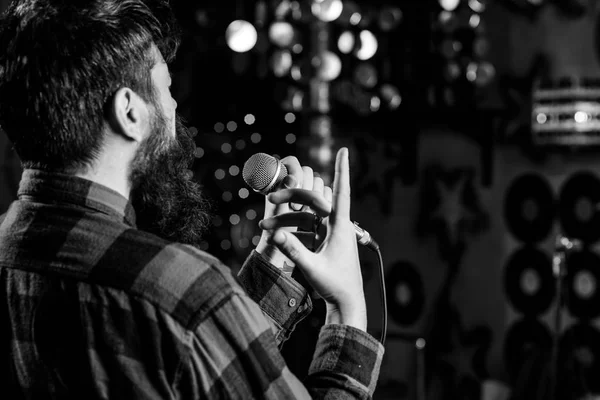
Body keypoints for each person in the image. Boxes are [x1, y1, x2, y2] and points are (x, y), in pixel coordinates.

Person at [0, 0, 384, 399]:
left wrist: (273, 259)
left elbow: (199, 366)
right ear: (129, 112)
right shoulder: (180, 291)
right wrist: (347, 309)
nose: (175, 106)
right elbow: (186, 320)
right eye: (166, 87)